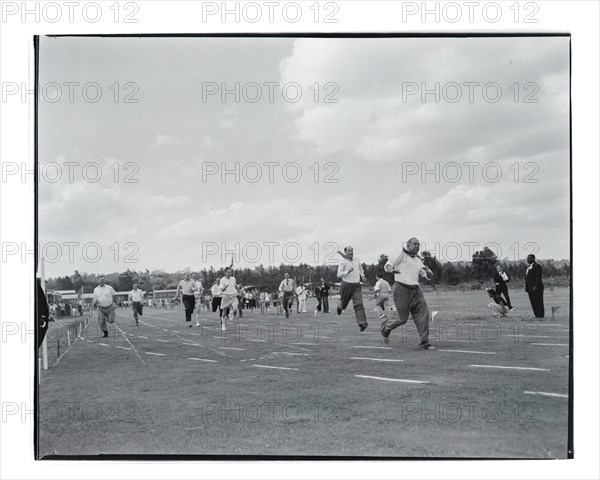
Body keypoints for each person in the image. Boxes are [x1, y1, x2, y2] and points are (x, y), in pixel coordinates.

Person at [382, 237, 434, 349]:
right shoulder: (401, 255)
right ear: (408, 245)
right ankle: (385, 328)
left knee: (423, 314)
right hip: (401, 289)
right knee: (402, 319)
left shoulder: (418, 260)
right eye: (414, 244)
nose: (417, 246)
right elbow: (388, 264)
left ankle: (424, 342)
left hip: (416, 290)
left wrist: (428, 272)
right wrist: (392, 270)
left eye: (418, 245)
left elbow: (427, 276)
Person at [337, 246, 368, 332]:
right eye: (349, 251)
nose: (351, 252)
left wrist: (363, 276)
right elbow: (338, 275)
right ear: (345, 252)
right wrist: (347, 272)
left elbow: (360, 269)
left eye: (352, 250)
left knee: (359, 304)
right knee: (343, 305)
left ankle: (362, 323)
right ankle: (339, 307)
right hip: (346, 285)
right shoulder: (343, 262)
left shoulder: (356, 260)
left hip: (357, 286)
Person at [525, 254, 544, 318]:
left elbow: (538, 277)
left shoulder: (537, 266)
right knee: (533, 302)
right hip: (530, 288)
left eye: (529, 258)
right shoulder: (528, 267)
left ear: (533, 259)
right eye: (527, 258)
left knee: (538, 301)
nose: (527, 259)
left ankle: (540, 315)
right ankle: (536, 314)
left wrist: (535, 286)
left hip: (537, 288)